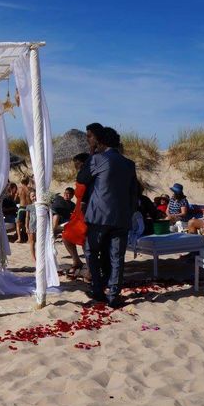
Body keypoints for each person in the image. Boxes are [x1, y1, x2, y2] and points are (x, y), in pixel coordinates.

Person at [77, 126, 138, 308]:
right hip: (121, 217)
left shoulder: (97, 159)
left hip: (98, 216)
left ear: (101, 141)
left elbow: (81, 178)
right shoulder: (129, 163)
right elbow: (133, 193)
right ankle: (114, 295)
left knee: (90, 251)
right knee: (117, 257)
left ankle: (97, 289)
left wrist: (91, 154)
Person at [15, 176, 32, 243]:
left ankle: (19, 238)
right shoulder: (30, 189)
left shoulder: (19, 189)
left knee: (18, 224)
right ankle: (28, 239)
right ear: (27, 181)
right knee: (27, 224)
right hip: (29, 207)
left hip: (22, 208)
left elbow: (15, 199)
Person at [25, 191, 37, 261]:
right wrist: (26, 227)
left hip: (39, 225)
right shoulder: (29, 206)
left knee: (39, 241)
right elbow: (27, 217)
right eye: (32, 196)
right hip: (32, 225)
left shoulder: (41, 205)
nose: (34, 197)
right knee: (32, 242)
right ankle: (33, 257)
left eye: (35, 195)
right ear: (30, 198)